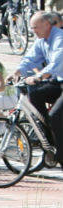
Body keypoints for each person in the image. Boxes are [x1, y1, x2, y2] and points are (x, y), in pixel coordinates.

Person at [11, 10, 63, 165]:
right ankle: (49, 141)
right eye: (32, 28)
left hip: (59, 79)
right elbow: (30, 58)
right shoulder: (42, 40)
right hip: (58, 82)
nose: (33, 31)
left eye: (35, 28)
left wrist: (39, 76)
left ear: (47, 25)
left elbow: (57, 63)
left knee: (55, 115)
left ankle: (61, 154)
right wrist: (17, 71)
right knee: (34, 94)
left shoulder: (59, 37)